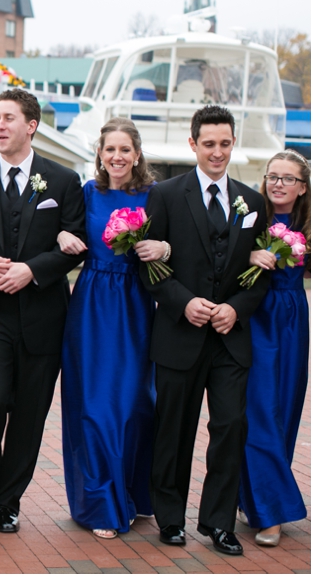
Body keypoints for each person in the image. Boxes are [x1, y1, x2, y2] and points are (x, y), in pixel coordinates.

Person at [0, 88, 86, 533]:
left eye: (9, 118)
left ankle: (10, 502)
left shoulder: (63, 181)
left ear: (31, 126)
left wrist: (33, 269)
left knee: (29, 415)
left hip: (42, 316)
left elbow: (74, 245)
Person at [141, 105, 269, 556]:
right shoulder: (166, 194)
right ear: (193, 144)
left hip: (230, 340)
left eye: (225, 143)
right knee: (174, 429)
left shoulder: (252, 202)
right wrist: (183, 302)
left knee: (231, 426)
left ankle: (218, 522)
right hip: (180, 334)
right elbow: (148, 266)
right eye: (209, 143)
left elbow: (261, 272)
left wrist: (236, 308)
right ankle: (170, 518)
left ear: (233, 144)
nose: (217, 152)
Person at [55, 118, 167, 539]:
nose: (116, 157)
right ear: (99, 154)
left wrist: (165, 245)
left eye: (124, 149)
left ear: (137, 154)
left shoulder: (155, 196)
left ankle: (134, 493)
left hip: (136, 303)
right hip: (92, 304)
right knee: (96, 405)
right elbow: (61, 231)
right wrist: (66, 234)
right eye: (109, 150)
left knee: (136, 402)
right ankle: (101, 502)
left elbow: (176, 240)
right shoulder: (87, 193)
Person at [238, 150, 310, 547]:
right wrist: (248, 253)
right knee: (259, 411)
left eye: (288, 178)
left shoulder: (309, 226)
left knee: (283, 409)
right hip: (256, 317)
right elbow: (226, 257)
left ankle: (251, 494)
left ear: (302, 188)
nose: (278, 184)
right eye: (273, 176)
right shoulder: (250, 216)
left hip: (292, 320)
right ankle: (272, 511)